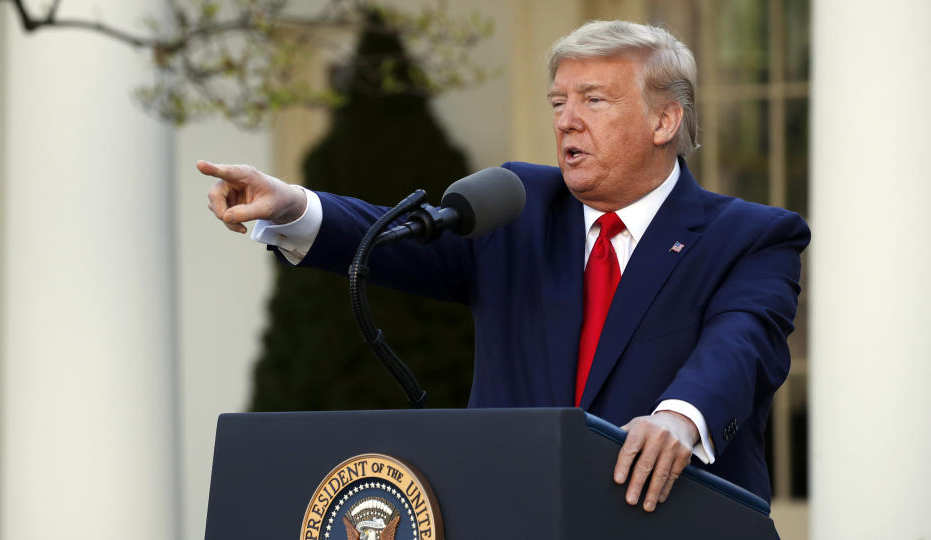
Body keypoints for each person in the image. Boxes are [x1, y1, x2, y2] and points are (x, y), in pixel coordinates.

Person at [201, 20, 809, 512]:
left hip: (669, 522)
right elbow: (401, 237)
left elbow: (741, 343)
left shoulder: (750, 237)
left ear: (664, 120)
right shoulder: (517, 205)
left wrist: (678, 418)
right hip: (515, 517)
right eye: (558, 102)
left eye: (594, 100)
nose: (567, 119)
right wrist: (292, 206)